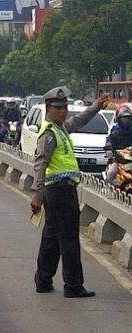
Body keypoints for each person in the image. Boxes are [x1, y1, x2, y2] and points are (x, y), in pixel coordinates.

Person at [31, 86, 110, 298]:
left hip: (60, 190)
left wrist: (95, 107)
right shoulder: (48, 134)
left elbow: (80, 120)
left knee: (52, 237)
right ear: (49, 109)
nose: (63, 111)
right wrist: (37, 193)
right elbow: (40, 163)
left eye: (65, 107)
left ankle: (43, 279)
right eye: (58, 108)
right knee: (68, 238)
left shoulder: (61, 128)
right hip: (59, 191)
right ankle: (73, 285)